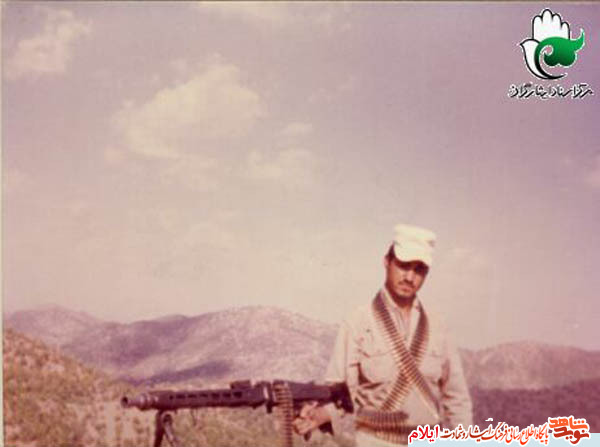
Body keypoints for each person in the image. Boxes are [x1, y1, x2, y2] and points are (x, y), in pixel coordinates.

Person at [294, 224, 473, 446]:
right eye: (403, 266)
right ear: (387, 262)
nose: (410, 277)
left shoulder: (438, 327)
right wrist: (317, 415)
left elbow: (457, 399)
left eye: (419, 270)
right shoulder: (358, 322)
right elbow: (340, 393)